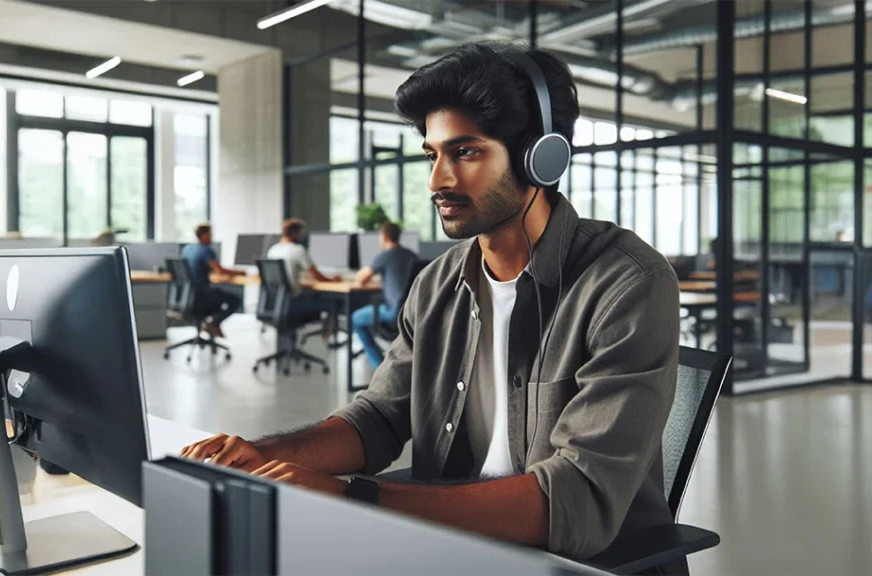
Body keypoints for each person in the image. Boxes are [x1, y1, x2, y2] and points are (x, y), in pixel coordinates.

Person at [181, 43, 681, 569]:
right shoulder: (438, 281)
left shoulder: (627, 284)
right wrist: (264, 457)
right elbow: (377, 419)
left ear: (542, 156)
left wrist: (353, 502)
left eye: (465, 152)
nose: (437, 181)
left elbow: (575, 500)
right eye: (431, 153)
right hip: (454, 543)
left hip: (575, 561)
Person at [351, 221, 419, 369]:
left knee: (355, 318)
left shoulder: (384, 256)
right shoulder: (412, 255)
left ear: (384, 237)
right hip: (414, 312)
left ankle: (379, 367)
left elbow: (361, 278)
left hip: (393, 313)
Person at [266, 218, 341, 320]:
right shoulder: (298, 250)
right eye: (300, 233)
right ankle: (328, 333)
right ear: (295, 233)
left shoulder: (272, 250)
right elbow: (317, 276)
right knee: (332, 301)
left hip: (275, 303)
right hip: (293, 303)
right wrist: (333, 280)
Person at [181, 224, 245, 339]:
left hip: (188, 295)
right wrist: (240, 273)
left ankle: (212, 325)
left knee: (217, 298)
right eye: (210, 234)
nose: (211, 237)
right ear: (204, 235)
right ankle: (214, 322)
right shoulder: (206, 250)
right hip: (203, 294)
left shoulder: (187, 249)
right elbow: (219, 270)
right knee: (235, 300)